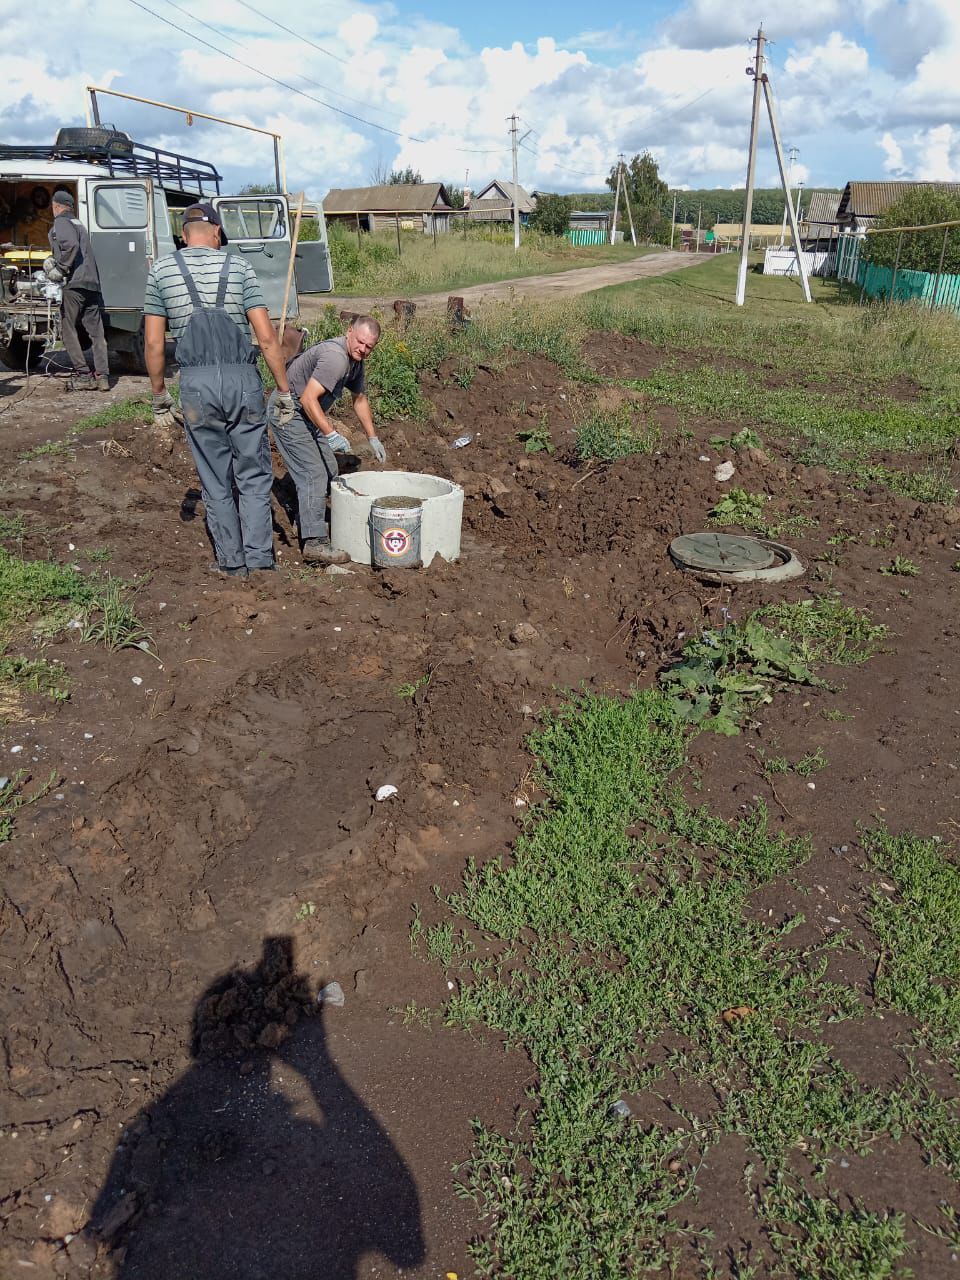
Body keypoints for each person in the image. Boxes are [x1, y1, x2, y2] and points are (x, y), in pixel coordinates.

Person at [143, 202, 297, 579]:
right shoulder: (239, 267)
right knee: (254, 475)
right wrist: (283, 390)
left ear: (183, 235)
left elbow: (153, 344)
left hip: (196, 386)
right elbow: (265, 336)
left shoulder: (161, 271)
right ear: (215, 232)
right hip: (241, 380)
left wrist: (160, 395)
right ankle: (261, 560)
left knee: (214, 477)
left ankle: (231, 563)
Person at [267, 316, 386, 566]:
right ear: (349, 332)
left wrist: (373, 437)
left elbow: (360, 399)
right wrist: (330, 433)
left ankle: (305, 519)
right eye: (360, 342)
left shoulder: (355, 361)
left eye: (369, 347)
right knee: (313, 475)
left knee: (330, 469)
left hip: (306, 414)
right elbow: (309, 399)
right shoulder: (336, 357)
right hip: (289, 412)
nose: (363, 349)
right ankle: (314, 543)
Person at [47, 189, 110, 391]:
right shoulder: (78, 223)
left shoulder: (61, 222)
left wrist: (60, 268)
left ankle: (84, 375)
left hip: (75, 284)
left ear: (56, 206)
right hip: (92, 284)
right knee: (96, 333)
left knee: (68, 330)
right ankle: (103, 377)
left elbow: (70, 245)